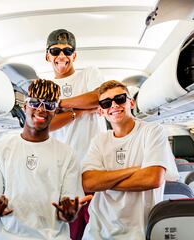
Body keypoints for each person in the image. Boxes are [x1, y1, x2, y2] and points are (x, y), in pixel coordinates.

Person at [0, 79, 92, 240]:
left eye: (49, 105)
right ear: (25, 106)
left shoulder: (67, 154)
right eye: (35, 103)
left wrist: (70, 215)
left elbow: (67, 211)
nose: (41, 109)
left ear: (55, 111)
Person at [81, 80, 179, 239]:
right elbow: (88, 183)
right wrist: (133, 170)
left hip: (140, 231)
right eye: (106, 103)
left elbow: (152, 178)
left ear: (131, 102)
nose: (113, 105)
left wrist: (104, 181)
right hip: (98, 231)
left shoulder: (152, 131)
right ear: (101, 112)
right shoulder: (99, 140)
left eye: (119, 99)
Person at [46, 28, 107, 239]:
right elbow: (47, 124)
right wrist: (79, 112)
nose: (61, 56)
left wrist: (60, 104)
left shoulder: (89, 73)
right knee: (70, 232)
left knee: (97, 230)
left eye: (67, 50)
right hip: (62, 174)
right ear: (47, 56)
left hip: (94, 169)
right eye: (55, 51)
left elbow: (98, 98)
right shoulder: (46, 86)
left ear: (75, 55)